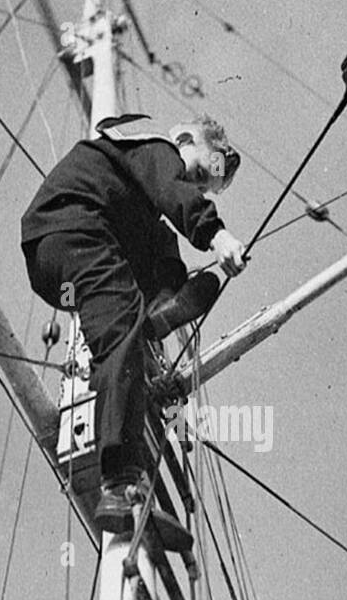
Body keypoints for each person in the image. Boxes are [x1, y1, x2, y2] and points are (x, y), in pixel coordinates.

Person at [20, 112, 246, 543]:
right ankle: (120, 486)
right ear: (185, 139)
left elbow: (167, 202)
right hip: (75, 229)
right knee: (121, 324)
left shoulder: (131, 166)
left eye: (203, 188)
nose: (196, 185)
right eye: (201, 172)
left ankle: (161, 305)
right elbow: (171, 188)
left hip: (57, 259)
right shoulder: (158, 149)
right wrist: (215, 236)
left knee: (157, 242)